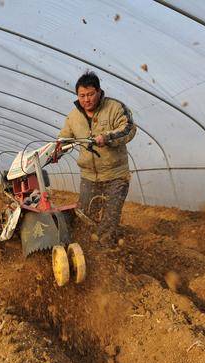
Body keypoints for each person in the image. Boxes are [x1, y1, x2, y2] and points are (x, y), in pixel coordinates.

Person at [58, 70, 136, 245]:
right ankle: (86, 248)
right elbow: (64, 139)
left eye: (91, 94)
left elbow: (129, 128)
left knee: (110, 219)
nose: (87, 99)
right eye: (82, 95)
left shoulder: (115, 108)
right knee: (85, 216)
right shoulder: (73, 117)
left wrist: (107, 137)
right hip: (89, 177)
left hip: (115, 175)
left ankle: (106, 254)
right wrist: (55, 150)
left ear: (99, 92)